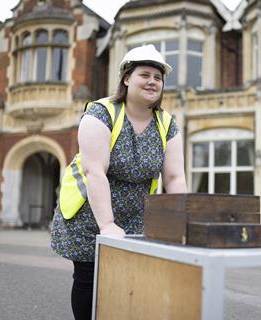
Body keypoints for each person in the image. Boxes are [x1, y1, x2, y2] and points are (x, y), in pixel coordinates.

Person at [50, 44, 187, 320]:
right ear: (127, 78)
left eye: (158, 77)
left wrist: (178, 223)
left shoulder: (167, 123)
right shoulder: (101, 113)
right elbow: (95, 172)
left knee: (132, 281)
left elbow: (174, 178)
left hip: (137, 215)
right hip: (92, 212)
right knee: (89, 279)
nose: (152, 82)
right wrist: (107, 224)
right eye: (144, 74)